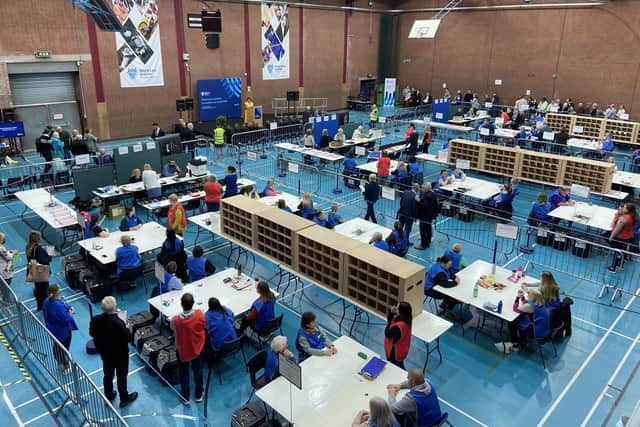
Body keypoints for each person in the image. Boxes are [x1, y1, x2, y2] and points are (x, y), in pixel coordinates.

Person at [90, 296, 138, 408]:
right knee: (121, 376)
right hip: (120, 355)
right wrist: (127, 328)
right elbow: (127, 338)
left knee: (108, 375)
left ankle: (109, 395)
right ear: (114, 308)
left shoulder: (96, 320)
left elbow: (92, 332)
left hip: (105, 354)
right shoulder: (118, 323)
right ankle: (124, 398)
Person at [172, 293, 206, 404]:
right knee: (198, 370)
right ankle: (198, 394)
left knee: (184, 373)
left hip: (183, 350)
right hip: (197, 348)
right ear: (193, 303)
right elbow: (203, 326)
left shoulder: (175, 320)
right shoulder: (200, 314)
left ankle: (186, 397)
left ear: (181, 304)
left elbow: (174, 331)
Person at [42, 284, 77, 372]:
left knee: (57, 346)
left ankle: (61, 362)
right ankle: (65, 366)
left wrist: (62, 303)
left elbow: (61, 307)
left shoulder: (46, 302)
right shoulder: (57, 306)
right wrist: (71, 312)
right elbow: (66, 319)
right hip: (62, 332)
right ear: (55, 294)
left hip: (53, 330)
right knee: (64, 348)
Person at [607, 203, 638, 272]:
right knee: (622, 251)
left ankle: (613, 267)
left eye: (624, 207)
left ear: (628, 210)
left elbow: (617, 229)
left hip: (621, 237)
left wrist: (611, 237)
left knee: (617, 251)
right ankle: (621, 265)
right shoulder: (633, 216)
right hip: (628, 237)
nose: (623, 208)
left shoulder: (624, 218)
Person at [26, 231, 51, 311]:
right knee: (44, 292)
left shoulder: (28, 247)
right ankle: (45, 308)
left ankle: (39, 307)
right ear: (38, 238)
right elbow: (43, 261)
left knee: (38, 289)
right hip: (41, 273)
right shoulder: (38, 249)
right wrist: (49, 256)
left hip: (34, 272)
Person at [384, 302, 413, 369]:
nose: (396, 308)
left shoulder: (398, 326)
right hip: (402, 348)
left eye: (397, 308)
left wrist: (389, 322)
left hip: (395, 352)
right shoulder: (407, 319)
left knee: (395, 367)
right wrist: (392, 313)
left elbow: (387, 333)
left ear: (401, 311)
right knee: (399, 365)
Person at [415, 183, 439, 250]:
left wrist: (418, 200)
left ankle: (423, 245)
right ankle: (428, 242)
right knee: (428, 230)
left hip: (424, 216)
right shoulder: (433, 194)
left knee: (423, 230)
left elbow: (424, 206)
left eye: (423, 188)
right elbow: (436, 204)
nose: (421, 189)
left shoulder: (426, 196)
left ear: (426, 189)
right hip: (430, 216)